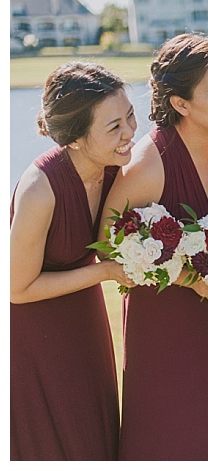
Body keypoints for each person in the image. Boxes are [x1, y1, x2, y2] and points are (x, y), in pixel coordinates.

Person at [102, 33, 208, 460]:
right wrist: (186, 279)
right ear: (181, 104)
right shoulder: (151, 161)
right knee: (173, 432)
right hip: (166, 325)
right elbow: (108, 245)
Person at [10, 62, 137, 460]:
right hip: (33, 334)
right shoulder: (40, 189)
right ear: (77, 139)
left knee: (95, 434)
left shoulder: (119, 171)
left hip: (85, 321)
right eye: (114, 126)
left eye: (131, 116)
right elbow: (16, 289)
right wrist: (105, 271)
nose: (130, 133)